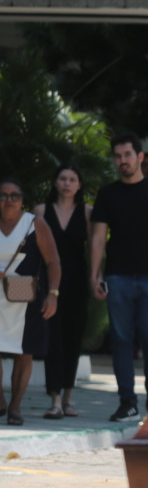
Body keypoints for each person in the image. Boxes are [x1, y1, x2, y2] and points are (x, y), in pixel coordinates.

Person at [90, 133, 148, 421]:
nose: (122, 161)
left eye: (127, 155)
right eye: (118, 156)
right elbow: (97, 239)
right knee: (120, 340)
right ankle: (127, 401)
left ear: (140, 157)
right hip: (117, 277)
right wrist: (95, 275)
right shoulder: (107, 193)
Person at [0, 178, 59, 424]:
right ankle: (1, 401)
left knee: (23, 353)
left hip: (25, 296)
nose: (8, 200)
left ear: (23, 201)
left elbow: (53, 261)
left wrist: (53, 294)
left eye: (15, 196)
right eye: (3, 195)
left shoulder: (34, 224)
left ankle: (15, 407)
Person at [36, 164, 88, 419]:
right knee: (52, 340)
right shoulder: (41, 211)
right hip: (49, 285)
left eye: (72, 179)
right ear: (55, 183)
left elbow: (96, 249)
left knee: (73, 339)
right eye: (63, 179)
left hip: (78, 283)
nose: (67, 183)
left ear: (79, 185)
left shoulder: (87, 212)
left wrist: (96, 278)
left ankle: (68, 397)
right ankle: (54, 399)